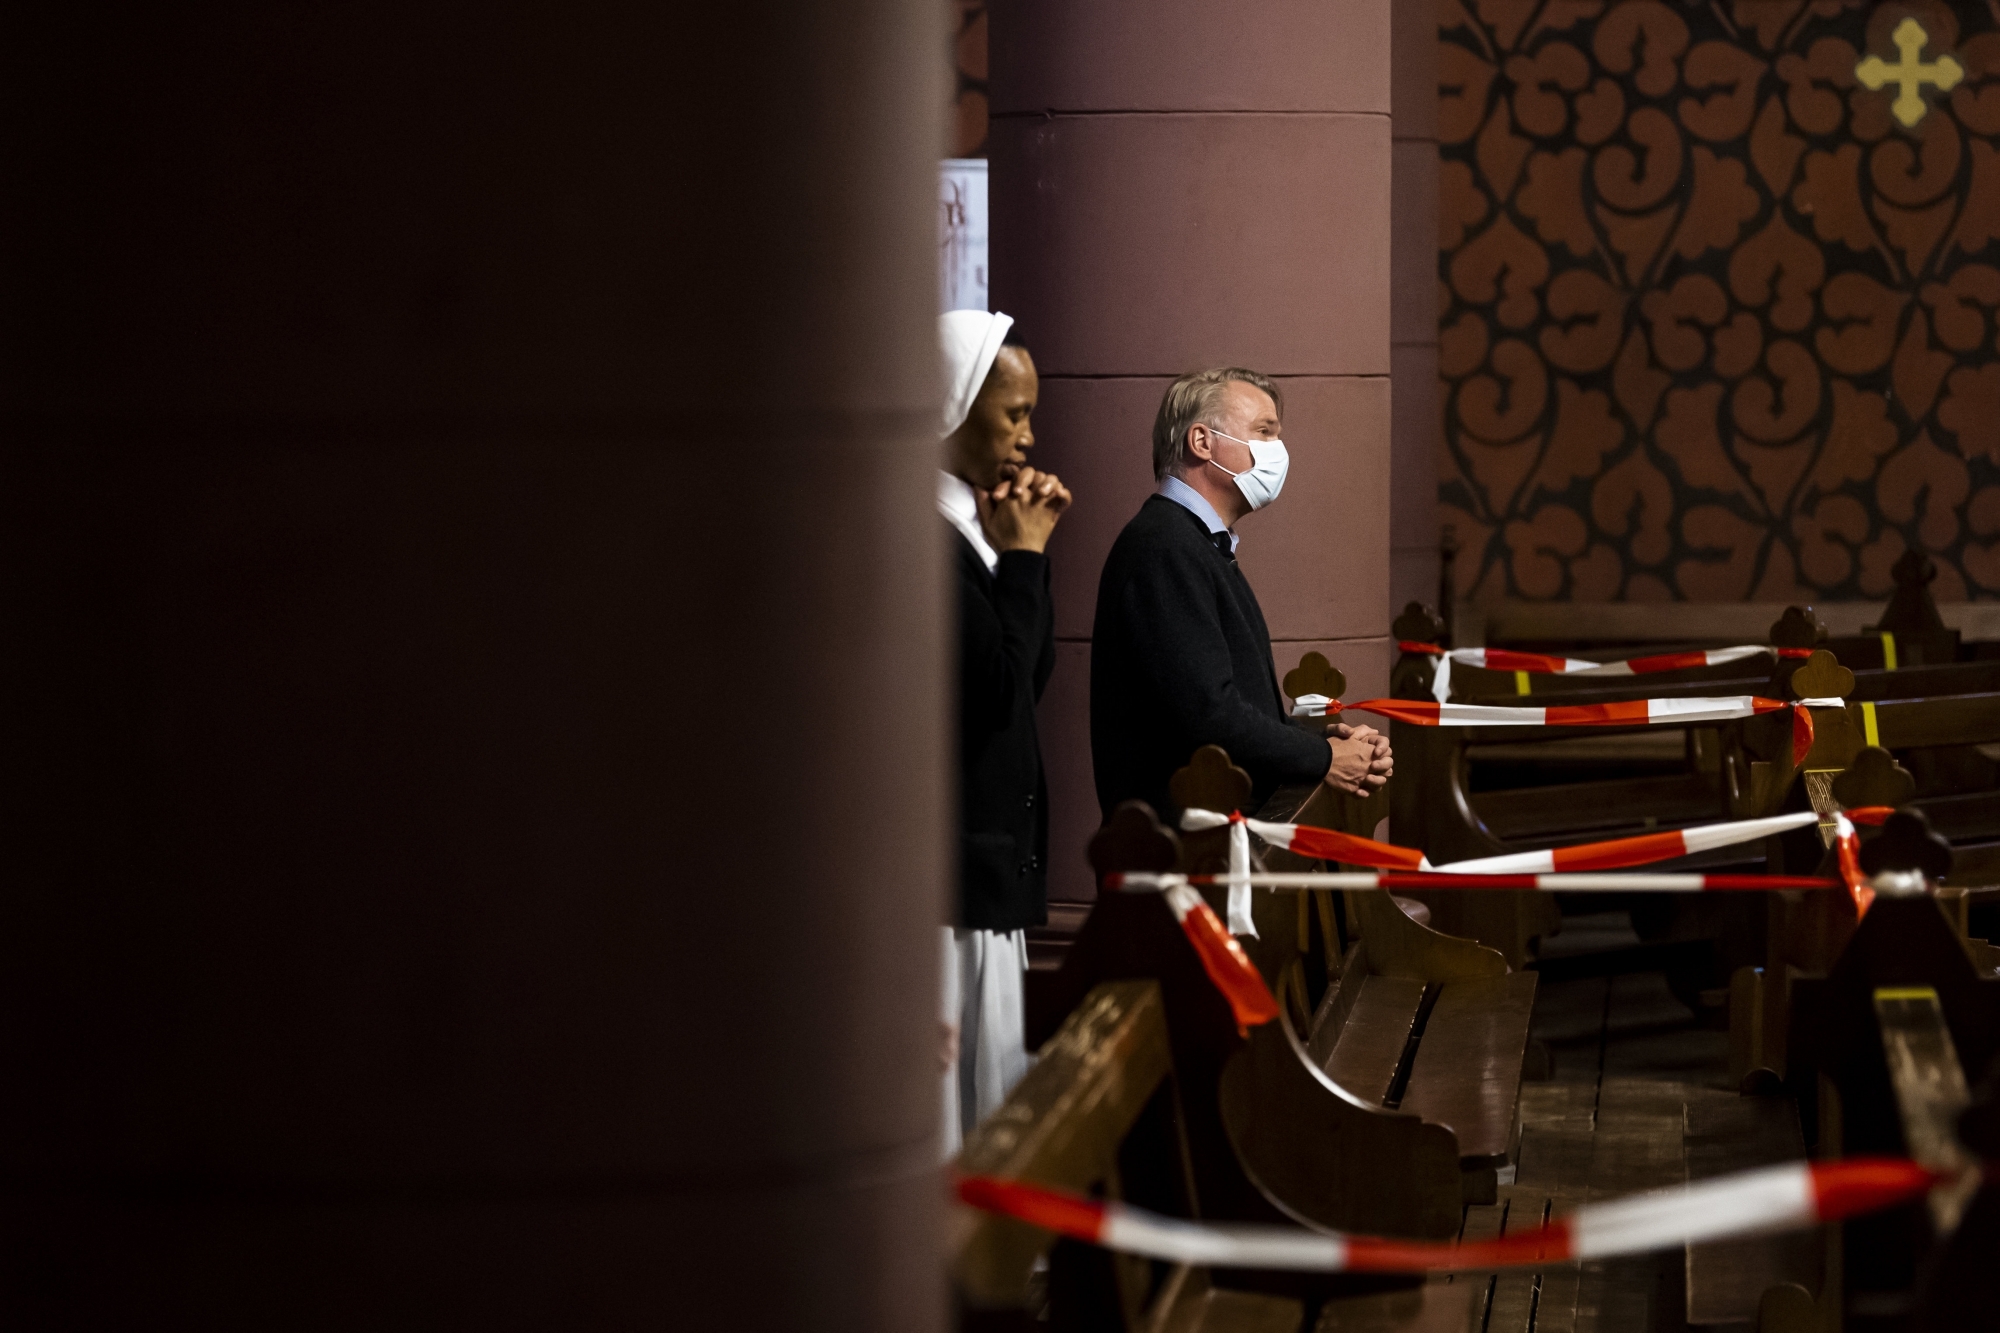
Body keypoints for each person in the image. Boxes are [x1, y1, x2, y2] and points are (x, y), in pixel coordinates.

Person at [1090, 366, 1391, 824]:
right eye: (1263, 433)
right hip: (1189, 850)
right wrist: (1324, 759)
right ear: (1202, 442)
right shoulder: (1165, 547)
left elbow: (1235, 704)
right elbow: (1208, 715)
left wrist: (1328, 742)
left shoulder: (1199, 544)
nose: (1278, 451)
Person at [936, 309, 1072, 1155]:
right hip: (947, 886)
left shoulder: (969, 533)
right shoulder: (924, 536)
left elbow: (1028, 680)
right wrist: (1021, 560)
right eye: (1013, 413)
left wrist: (1019, 552)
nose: (1027, 437)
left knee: (991, 1107)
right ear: (952, 405)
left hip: (987, 874)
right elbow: (992, 694)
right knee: (957, 1120)